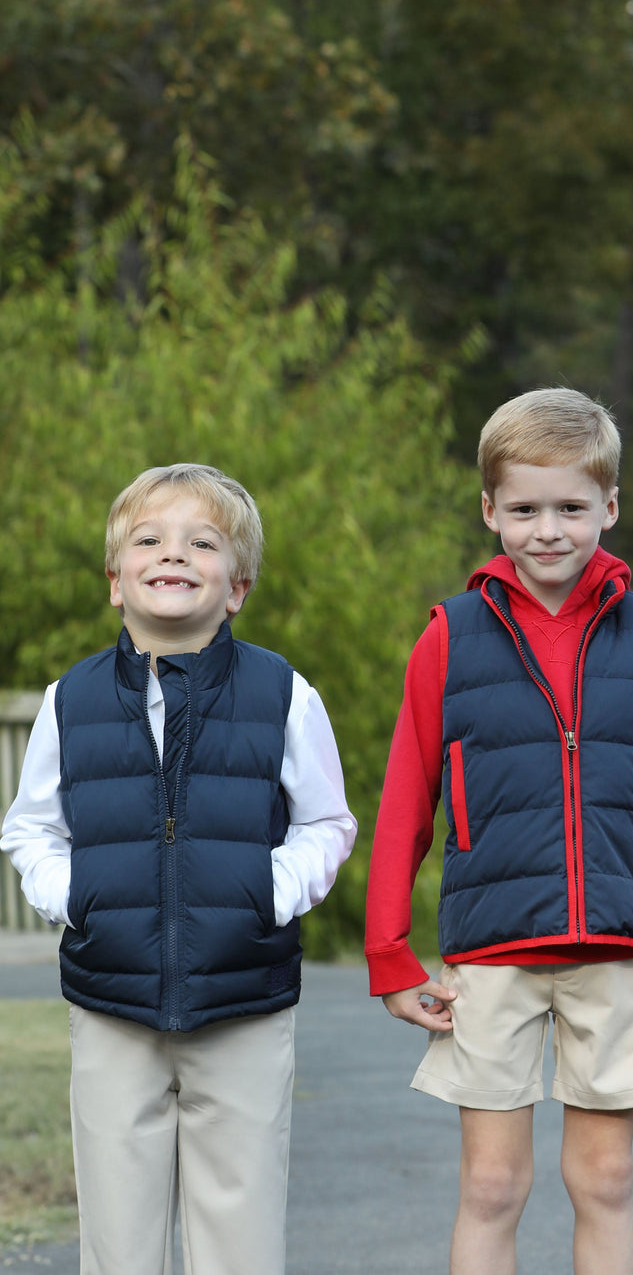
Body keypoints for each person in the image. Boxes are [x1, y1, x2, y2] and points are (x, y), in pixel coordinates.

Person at [365, 388, 633, 1275]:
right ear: (489, 510)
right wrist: (389, 953)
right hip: (492, 955)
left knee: (604, 1180)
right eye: (523, 509)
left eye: (571, 507)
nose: (548, 530)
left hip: (620, 954)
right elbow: (407, 799)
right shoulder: (449, 636)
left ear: (610, 506)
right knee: (491, 1187)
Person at [1, 463, 357, 1275]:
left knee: (241, 1227)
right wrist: (75, 897)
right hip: (112, 1000)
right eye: (150, 540)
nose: (175, 554)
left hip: (244, 998)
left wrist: (270, 892)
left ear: (237, 586)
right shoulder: (72, 700)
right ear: (115, 582)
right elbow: (30, 829)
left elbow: (327, 822)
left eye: (203, 542)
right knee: (118, 1235)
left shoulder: (283, 694)